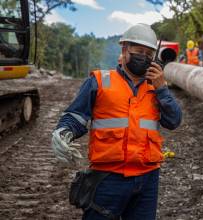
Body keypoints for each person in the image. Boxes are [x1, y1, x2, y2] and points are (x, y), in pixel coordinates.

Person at [51, 23, 182, 219]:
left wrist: (162, 89)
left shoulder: (156, 87)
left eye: (148, 53)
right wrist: (64, 130)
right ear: (124, 49)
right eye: (139, 51)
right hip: (107, 178)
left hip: (147, 179)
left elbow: (174, 121)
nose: (143, 57)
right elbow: (76, 115)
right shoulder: (100, 81)